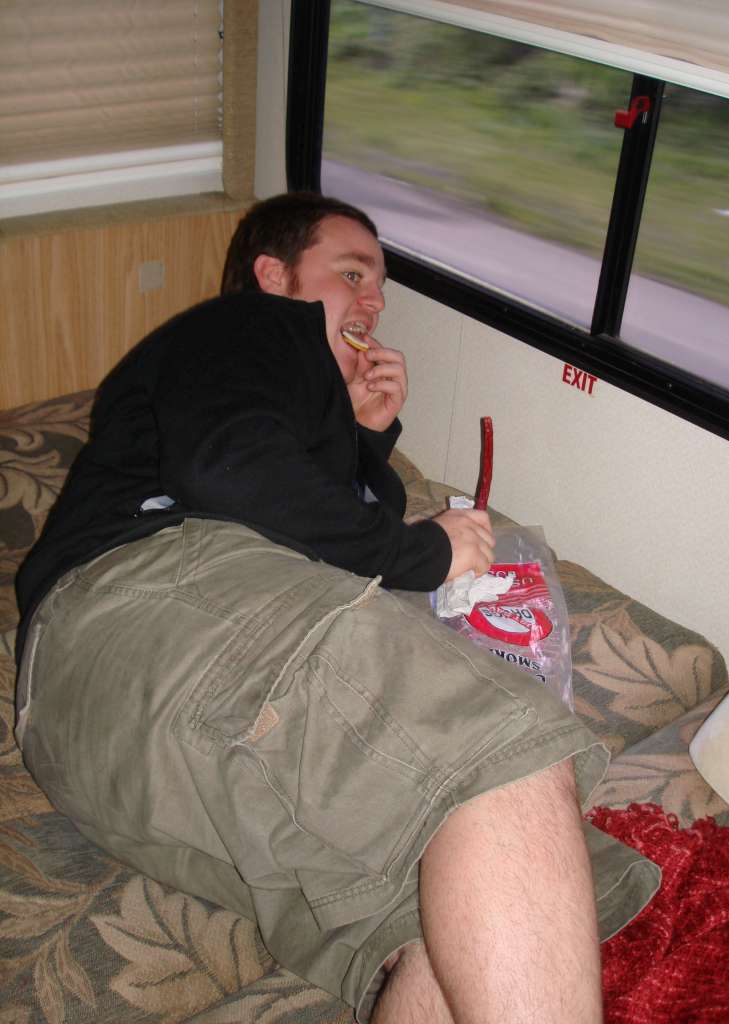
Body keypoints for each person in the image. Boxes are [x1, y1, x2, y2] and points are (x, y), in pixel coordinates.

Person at [14, 192, 658, 1024]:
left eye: (381, 287)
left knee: (440, 909)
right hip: (150, 605)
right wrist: (428, 551)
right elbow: (232, 469)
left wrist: (366, 438)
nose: (374, 302)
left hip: (101, 737)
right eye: (352, 274)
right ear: (272, 276)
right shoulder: (248, 324)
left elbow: (321, 535)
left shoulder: (277, 405)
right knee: (503, 752)